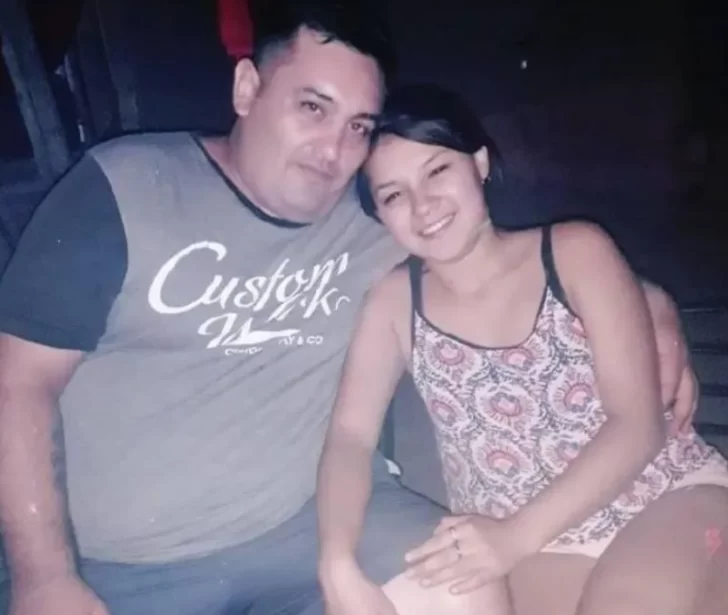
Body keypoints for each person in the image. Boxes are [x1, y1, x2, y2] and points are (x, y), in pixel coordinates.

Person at [0, 1, 699, 613]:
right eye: (313, 107)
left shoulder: (373, 223)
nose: (334, 149)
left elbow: (512, 255)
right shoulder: (127, 189)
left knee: (461, 590)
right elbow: (17, 382)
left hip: (303, 524)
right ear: (248, 88)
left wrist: (651, 305)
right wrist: (44, 576)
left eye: (358, 125)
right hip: (122, 566)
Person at [317, 83, 728, 615]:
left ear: (479, 162)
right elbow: (350, 437)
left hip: (659, 494)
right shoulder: (393, 303)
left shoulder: (575, 251)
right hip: (533, 543)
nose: (423, 205)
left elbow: (637, 424)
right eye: (394, 195)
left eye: (437, 170)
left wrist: (513, 538)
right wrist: (336, 560)